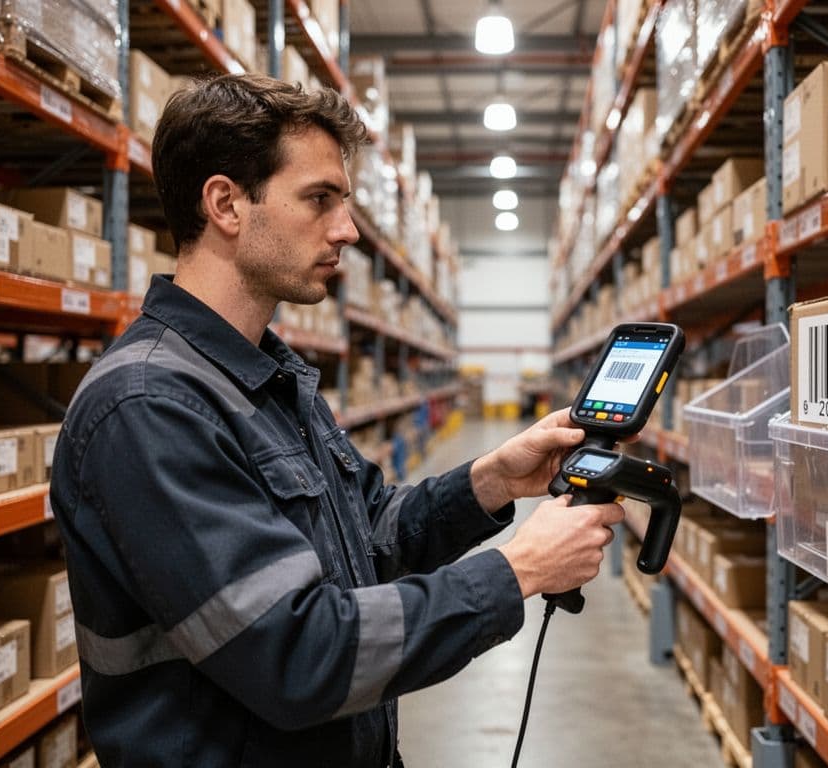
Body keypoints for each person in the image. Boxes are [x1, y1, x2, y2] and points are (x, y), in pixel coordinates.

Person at [49, 73, 626, 767]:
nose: (347, 230)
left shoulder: (265, 376)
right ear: (226, 204)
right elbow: (294, 656)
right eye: (319, 199)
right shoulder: (148, 407)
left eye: (345, 201)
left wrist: (491, 482)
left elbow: (367, 541)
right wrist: (519, 570)